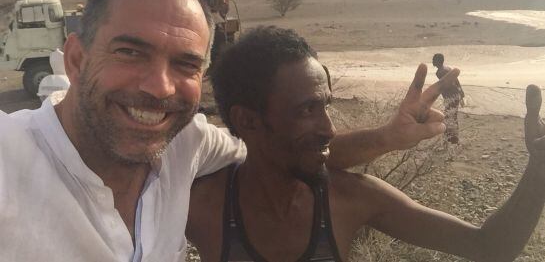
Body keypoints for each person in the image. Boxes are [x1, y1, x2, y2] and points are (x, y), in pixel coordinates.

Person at [0, 0, 457, 262]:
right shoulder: (10, 160)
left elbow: (284, 148)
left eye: (185, 64)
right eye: (130, 52)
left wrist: (389, 138)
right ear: (76, 60)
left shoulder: (186, 144)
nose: (160, 87)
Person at [187, 26, 545, 262]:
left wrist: (539, 170)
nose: (329, 128)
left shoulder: (348, 198)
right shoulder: (203, 205)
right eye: (307, 110)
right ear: (248, 120)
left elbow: (491, 246)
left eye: (326, 104)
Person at [432, 53, 465, 144]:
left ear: (438, 61)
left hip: (450, 97)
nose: (432, 61)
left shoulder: (440, 72)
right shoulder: (448, 68)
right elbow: (457, 81)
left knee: (450, 117)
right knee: (452, 117)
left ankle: (451, 139)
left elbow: (445, 86)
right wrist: (461, 94)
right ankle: (452, 138)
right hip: (455, 96)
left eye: (434, 60)